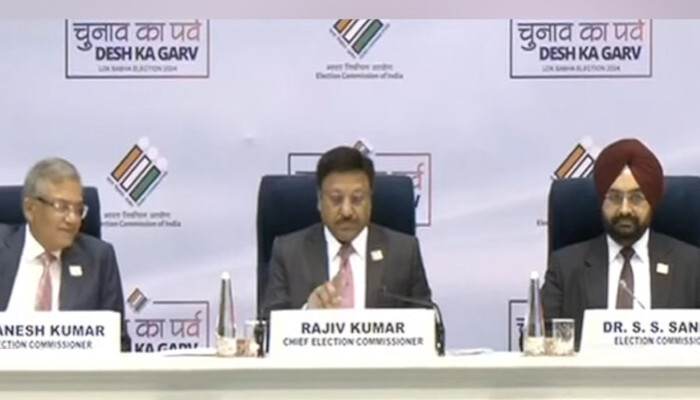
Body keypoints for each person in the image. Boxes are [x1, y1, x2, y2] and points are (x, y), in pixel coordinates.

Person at [542, 138, 700, 350]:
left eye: (636, 198)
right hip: (590, 372)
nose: (625, 209)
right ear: (602, 200)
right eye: (615, 198)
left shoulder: (691, 266)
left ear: (652, 202)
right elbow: (536, 339)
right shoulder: (566, 266)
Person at [262, 146, 432, 316]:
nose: (347, 211)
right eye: (336, 199)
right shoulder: (288, 253)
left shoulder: (404, 252)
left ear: (370, 201)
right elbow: (268, 325)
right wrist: (307, 314)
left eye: (357, 199)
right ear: (320, 201)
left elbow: (428, 324)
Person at [0, 157, 131, 351]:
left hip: (75, 370)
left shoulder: (98, 258)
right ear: (30, 208)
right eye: (61, 207)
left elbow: (117, 343)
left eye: (78, 210)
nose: (72, 219)